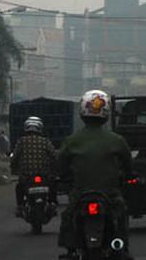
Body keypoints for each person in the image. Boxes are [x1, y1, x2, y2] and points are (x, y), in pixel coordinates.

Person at [57, 90, 133, 260]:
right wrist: (126, 176)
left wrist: (64, 179)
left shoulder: (71, 140)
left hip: (80, 197)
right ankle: (121, 246)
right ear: (106, 113)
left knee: (68, 216)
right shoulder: (117, 140)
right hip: (110, 197)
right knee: (121, 215)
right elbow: (128, 166)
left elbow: (60, 167)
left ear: (83, 113)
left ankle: (71, 250)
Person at [11, 116, 57, 215]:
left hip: (26, 177)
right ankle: (52, 203)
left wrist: (14, 168)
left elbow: (14, 157)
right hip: (44, 176)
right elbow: (54, 156)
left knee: (19, 188)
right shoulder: (45, 141)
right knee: (53, 185)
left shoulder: (21, 141)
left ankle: (20, 206)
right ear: (40, 127)